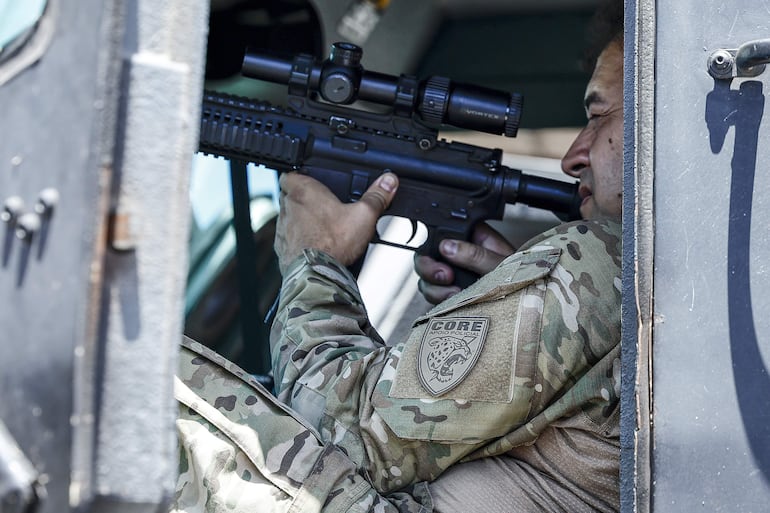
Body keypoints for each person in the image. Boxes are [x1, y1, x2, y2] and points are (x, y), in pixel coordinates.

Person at [173, 1, 624, 511]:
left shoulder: (603, 253)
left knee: (141, 387)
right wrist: (500, 295)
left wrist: (314, 261)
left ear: (657, 120)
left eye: (599, 114)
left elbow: (343, 434)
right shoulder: (643, 286)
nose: (573, 156)